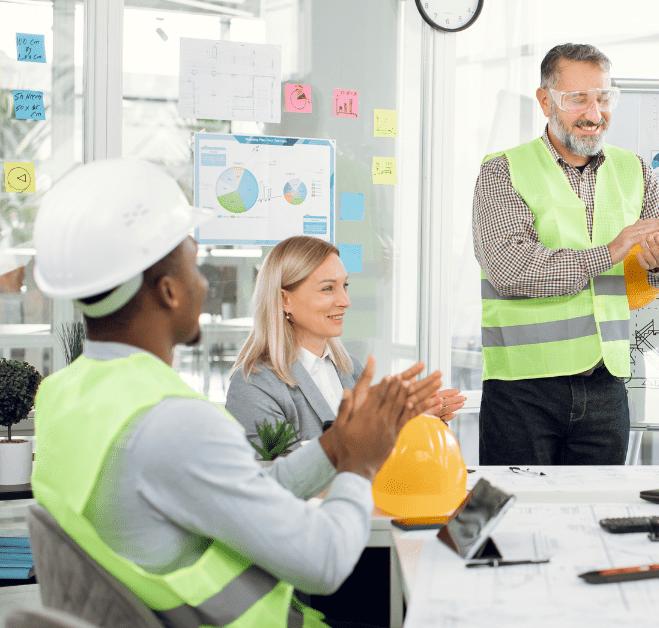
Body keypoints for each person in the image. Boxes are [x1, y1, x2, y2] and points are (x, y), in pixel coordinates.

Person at [30, 159, 442, 628]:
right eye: (196, 267)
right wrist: (359, 464)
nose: (205, 284)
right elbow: (324, 561)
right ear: (169, 291)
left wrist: (334, 449)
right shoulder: (174, 422)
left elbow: (239, 491)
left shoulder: (64, 397)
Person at [472, 43, 659, 466]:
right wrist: (612, 251)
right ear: (545, 101)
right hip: (523, 386)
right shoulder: (503, 169)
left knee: (600, 516)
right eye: (578, 99)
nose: (595, 113)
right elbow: (511, 269)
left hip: (606, 385)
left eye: (604, 97)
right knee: (520, 520)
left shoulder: (635, 170)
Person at [226, 235, 465, 443]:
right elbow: (275, 476)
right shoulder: (253, 385)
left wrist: (410, 422)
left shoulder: (349, 370)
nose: (345, 301)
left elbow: (373, 455)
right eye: (328, 289)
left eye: (345, 286)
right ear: (284, 300)